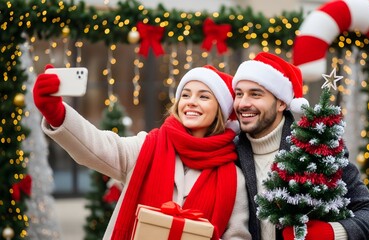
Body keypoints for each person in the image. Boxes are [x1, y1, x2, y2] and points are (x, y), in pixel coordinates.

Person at [33, 64, 251, 240]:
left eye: (204, 97)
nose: (191, 102)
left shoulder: (233, 177)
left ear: (220, 111)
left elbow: (237, 236)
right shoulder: (147, 146)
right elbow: (98, 146)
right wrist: (57, 114)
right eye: (185, 95)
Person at [231, 52, 369, 240]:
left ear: (281, 103)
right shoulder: (231, 151)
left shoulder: (317, 147)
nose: (243, 103)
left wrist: (331, 232)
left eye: (255, 94)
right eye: (239, 94)